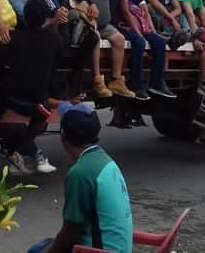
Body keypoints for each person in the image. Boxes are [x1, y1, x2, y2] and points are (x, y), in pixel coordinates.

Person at [30, 103, 133, 253]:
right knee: (42, 245)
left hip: (98, 250)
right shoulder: (105, 160)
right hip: (116, 247)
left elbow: (70, 234)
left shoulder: (80, 173)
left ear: (63, 135)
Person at [0, 0, 62, 176]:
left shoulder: (13, 38)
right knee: (43, 115)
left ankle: (18, 150)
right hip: (35, 102)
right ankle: (17, 150)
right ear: (45, 17)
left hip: (9, 98)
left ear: (24, 16)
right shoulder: (54, 40)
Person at [71, 0, 134, 98]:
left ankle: (116, 80)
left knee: (119, 39)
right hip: (85, 19)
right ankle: (98, 80)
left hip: (101, 20)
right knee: (95, 37)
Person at [116, 0, 175, 101]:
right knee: (139, 42)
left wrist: (153, 32)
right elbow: (126, 12)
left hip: (140, 23)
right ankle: (136, 85)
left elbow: (146, 12)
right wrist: (138, 34)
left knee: (159, 42)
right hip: (125, 25)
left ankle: (157, 83)